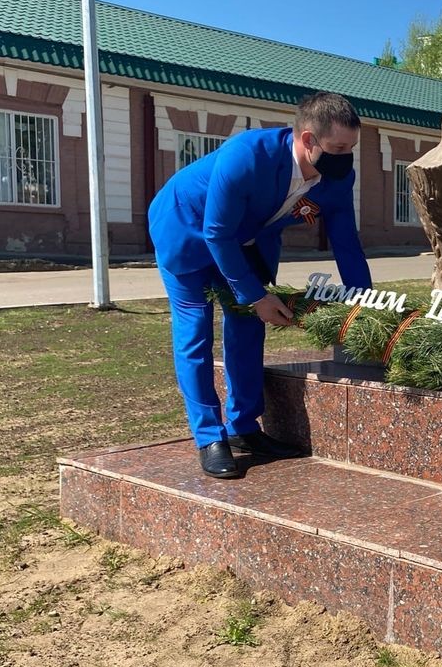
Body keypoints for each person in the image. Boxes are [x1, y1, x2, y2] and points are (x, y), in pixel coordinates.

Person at [148, 92, 372, 479]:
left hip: (249, 241)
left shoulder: (336, 177)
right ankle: (208, 437)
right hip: (188, 230)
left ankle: (243, 428)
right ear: (307, 140)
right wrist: (255, 295)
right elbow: (216, 233)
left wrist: (365, 303)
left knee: (249, 328)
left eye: (351, 147)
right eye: (338, 147)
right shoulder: (247, 155)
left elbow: (346, 243)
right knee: (195, 331)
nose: (346, 156)